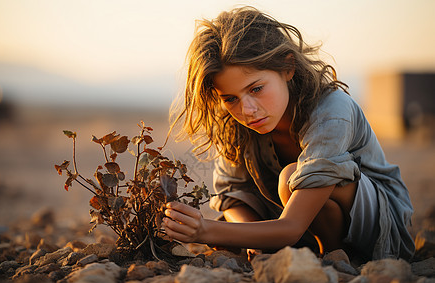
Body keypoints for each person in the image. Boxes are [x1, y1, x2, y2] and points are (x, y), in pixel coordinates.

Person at [163, 6, 415, 261]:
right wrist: (250, 239)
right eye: (230, 98)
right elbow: (233, 194)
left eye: (257, 88)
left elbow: (291, 228)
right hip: (295, 227)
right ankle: (301, 251)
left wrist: (206, 230)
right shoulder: (236, 122)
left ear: (287, 67)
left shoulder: (332, 111)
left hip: (381, 232)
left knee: (291, 178)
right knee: (268, 191)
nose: (247, 110)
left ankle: (336, 257)